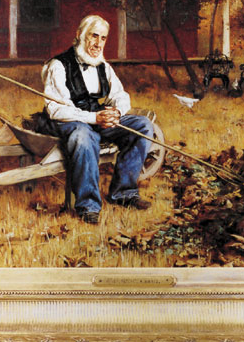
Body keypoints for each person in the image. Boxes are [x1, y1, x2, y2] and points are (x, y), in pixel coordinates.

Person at [27, 15, 153, 224]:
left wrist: (117, 113)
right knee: (84, 137)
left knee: (143, 126)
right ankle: (88, 205)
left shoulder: (103, 66)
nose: (98, 44)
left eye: (103, 38)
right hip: (68, 120)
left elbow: (120, 95)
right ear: (79, 35)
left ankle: (123, 193)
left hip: (97, 118)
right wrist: (94, 117)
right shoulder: (58, 65)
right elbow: (57, 110)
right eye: (94, 36)